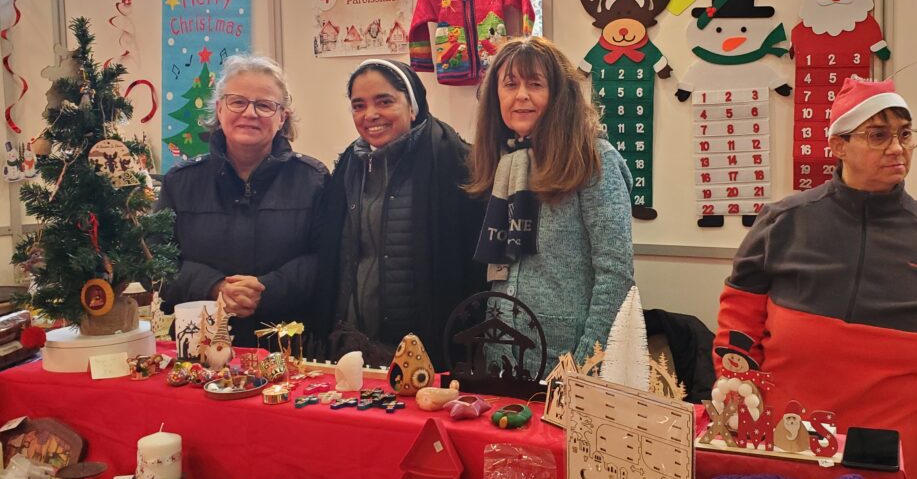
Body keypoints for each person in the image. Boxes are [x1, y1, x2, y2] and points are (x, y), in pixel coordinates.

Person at [713, 77, 917, 479]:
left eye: (905, 134)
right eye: (878, 135)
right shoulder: (782, 224)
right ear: (838, 146)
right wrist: (737, 399)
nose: (897, 147)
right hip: (786, 460)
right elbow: (738, 326)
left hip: (900, 473)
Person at [466, 36, 635, 374]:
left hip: (567, 359)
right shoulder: (507, 162)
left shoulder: (594, 159)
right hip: (503, 356)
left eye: (535, 84)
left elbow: (616, 274)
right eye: (510, 84)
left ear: (559, 94)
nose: (521, 95)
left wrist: (586, 363)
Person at [309, 59, 486, 367]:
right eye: (359, 105)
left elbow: (472, 264)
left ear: (412, 107)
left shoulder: (455, 161)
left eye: (384, 101)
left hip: (425, 350)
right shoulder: (349, 165)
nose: (370, 114)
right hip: (351, 345)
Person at [160, 55, 328, 348]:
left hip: (289, 348)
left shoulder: (313, 179)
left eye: (264, 105)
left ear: (282, 117)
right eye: (237, 102)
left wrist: (266, 289)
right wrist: (213, 286)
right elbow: (156, 259)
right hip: (199, 347)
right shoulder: (180, 182)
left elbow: (327, 259)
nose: (250, 113)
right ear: (219, 109)